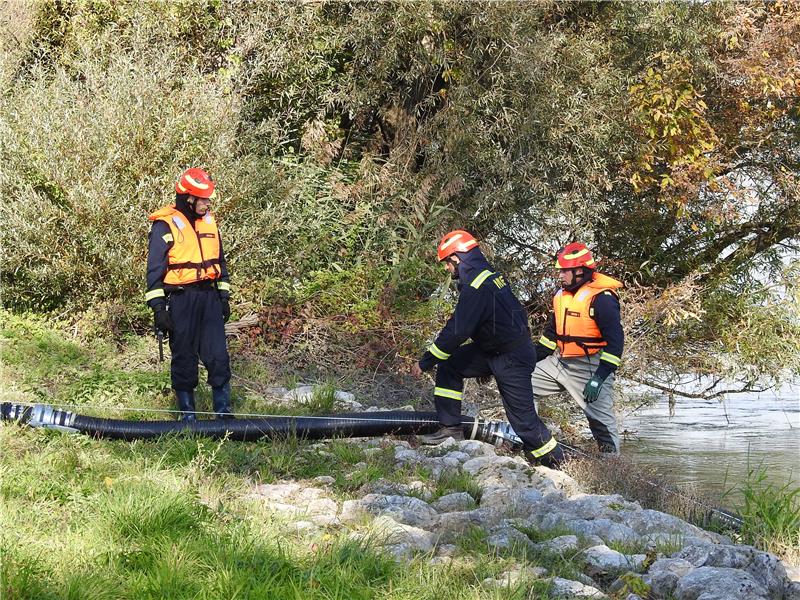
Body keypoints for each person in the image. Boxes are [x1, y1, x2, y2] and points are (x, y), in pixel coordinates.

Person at [411, 230, 564, 469]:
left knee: (523, 420)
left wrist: (425, 362)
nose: (446, 269)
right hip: (493, 351)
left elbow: (456, 332)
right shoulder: (489, 277)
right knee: (451, 365)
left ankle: (556, 463)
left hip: (511, 358)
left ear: (457, 259)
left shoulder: (477, 287)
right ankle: (450, 428)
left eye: (447, 264)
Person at [145, 167, 234, 420]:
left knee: (218, 355)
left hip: (210, 298)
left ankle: (224, 414)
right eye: (203, 199)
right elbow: (154, 272)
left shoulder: (209, 223)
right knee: (184, 356)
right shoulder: (165, 226)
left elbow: (221, 262)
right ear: (189, 198)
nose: (208, 204)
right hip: (182, 299)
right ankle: (187, 416)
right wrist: (159, 310)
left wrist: (224, 297)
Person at [533, 242, 623, 452]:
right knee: (520, 385)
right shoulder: (561, 296)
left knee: (601, 423)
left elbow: (616, 344)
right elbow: (550, 337)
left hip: (591, 366)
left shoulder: (603, 299)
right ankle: (532, 440)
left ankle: (613, 468)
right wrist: (529, 361)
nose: (561, 276)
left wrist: (599, 378)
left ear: (580, 271)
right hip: (560, 362)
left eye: (565, 271)